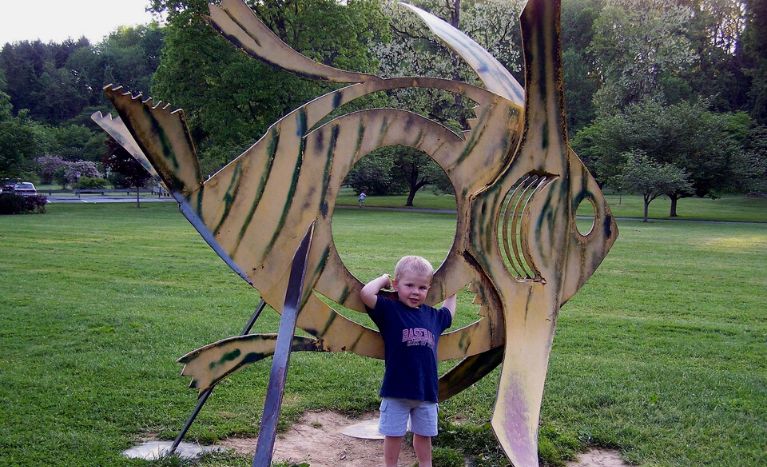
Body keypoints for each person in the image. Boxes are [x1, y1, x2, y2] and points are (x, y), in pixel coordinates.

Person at [360, 256, 457, 467]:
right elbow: (366, 294)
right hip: (396, 389)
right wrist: (384, 280)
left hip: (426, 391)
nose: (415, 292)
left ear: (429, 289)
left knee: (424, 435)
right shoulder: (390, 310)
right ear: (397, 285)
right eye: (409, 285)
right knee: (393, 435)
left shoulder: (433, 316)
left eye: (422, 287)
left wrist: (452, 292)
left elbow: (449, 313)